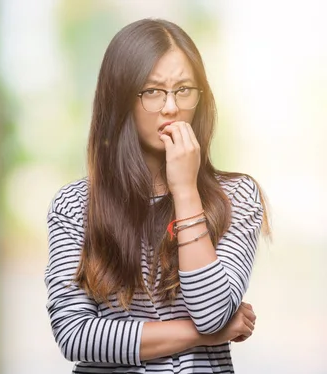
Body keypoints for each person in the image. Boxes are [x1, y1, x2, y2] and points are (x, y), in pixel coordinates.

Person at [44, 18, 271, 373]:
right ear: (120, 100)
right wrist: (201, 336)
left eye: (184, 89)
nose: (171, 107)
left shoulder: (237, 196)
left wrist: (185, 189)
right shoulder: (75, 206)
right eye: (152, 91)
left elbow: (212, 314)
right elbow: (75, 335)